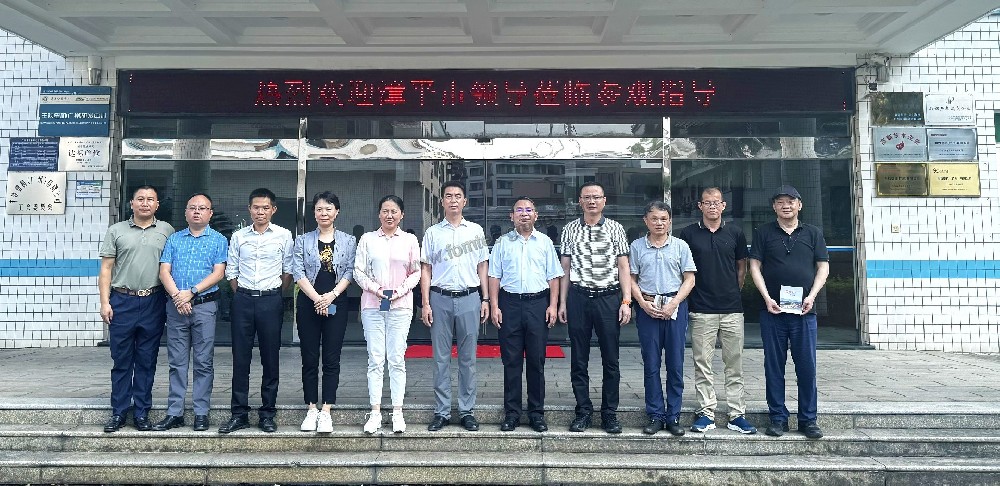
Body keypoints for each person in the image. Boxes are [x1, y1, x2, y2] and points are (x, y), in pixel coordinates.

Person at [749, 185, 829, 440]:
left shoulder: (813, 233)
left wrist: (812, 296)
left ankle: (808, 420)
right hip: (772, 311)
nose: (786, 205)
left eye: (791, 201)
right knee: (774, 367)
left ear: (799, 205)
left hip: (804, 312)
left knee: (807, 367)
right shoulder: (763, 232)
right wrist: (766, 297)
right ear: (774, 207)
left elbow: (823, 267)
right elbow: (754, 266)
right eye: (781, 201)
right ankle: (778, 418)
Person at [678, 187, 756, 434]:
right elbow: (684, 270)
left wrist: (733, 291)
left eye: (716, 202)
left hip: (732, 309)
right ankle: (706, 412)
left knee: (734, 364)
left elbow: (741, 267)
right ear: (700, 206)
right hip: (701, 309)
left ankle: (737, 414)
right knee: (703, 363)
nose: (712, 206)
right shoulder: (688, 234)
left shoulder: (735, 232)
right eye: (707, 202)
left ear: (723, 205)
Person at [98, 185, 174, 433]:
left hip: (153, 300)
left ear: (157, 204)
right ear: (131, 203)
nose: (145, 203)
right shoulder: (116, 230)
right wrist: (105, 302)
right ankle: (119, 412)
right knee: (121, 360)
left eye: (150, 199)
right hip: (122, 300)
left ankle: (142, 412)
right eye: (140, 199)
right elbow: (106, 269)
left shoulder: (166, 231)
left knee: (146, 360)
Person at [558, 181, 631, 434]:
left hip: (608, 298)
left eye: (596, 197)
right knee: (579, 359)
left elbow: (624, 267)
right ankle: (583, 412)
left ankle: (609, 414)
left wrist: (626, 301)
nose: (592, 201)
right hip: (579, 298)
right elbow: (565, 268)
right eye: (587, 197)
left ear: (604, 201)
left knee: (611, 359)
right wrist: (562, 302)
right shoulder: (569, 229)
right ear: (580, 201)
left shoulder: (615, 228)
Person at [219, 188, 293, 434]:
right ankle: (238, 413)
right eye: (256, 207)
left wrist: (274, 294)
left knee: (270, 358)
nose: (260, 212)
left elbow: (288, 270)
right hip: (243, 300)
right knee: (240, 358)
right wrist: (242, 293)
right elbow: (232, 270)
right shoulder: (239, 236)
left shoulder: (284, 235)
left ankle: (267, 413)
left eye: (265, 208)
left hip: (270, 301)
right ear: (249, 209)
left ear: (273, 210)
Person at [153, 193, 228, 432]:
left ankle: (201, 412)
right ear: (185, 212)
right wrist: (179, 296)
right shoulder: (174, 239)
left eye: (202, 208)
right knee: (177, 362)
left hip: (204, 306)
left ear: (210, 213)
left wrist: (192, 292)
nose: (197, 211)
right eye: (192, 208)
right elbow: (164, 271)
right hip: (176, 307)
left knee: (203, 362)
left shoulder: (218, 240)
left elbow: (219, 273)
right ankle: (174, 412)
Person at [488, 197, 563, 433]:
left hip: (538, 304)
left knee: (536, 361)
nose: (524, 213)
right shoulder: (502, 243)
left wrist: (553, 306)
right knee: (511, 361)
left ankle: (536, 414)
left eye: (529, 210)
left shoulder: (545, 242)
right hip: (509, 304)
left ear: (536, 215)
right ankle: (512, 413)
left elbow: (554, 276)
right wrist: (494, 306)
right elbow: (494, 276)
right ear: (511, 216)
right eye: (519, 210)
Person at [420, 182, 490, 432]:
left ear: (464, 201)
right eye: (448, 196)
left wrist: (485, 299)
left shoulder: (475, 231)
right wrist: (425, 303)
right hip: (439, 298)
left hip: (470, 298)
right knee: (440, 358)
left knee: (468, 359)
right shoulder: (432, 233)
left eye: (457, 196)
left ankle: (466, 411)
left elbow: (482, 266)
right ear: (442, 202)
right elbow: (426, 269)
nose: (453, 200)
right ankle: (442, 412)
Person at [354, 195, 421, 434]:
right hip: (373, 305)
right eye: (385, 211)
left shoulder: (410, 240)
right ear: (379, 214)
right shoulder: (368, 239)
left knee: (396, 359)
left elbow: (416, 272)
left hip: (401, 307)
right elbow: (358, 271)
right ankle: (374, 412)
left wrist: (399, 292)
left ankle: (397, 412)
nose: (389, 215)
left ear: (401, 215)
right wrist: (377, 289)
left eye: (394, 211)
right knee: (375, 359)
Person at [628, 201, 696, 436]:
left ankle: (673, 415)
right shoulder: (637, 246)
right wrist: (642, 303)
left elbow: (690, 279)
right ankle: (655, 414)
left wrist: (674, 303)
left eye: (664, 219)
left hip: (675, 307)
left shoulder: (680, 246)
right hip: (648, 308)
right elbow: (631, 279)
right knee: (651, 364)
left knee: (675, 364)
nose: (659, 223)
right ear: (646, 221)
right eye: (654, 219)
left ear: (670, 221)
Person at [291, 192, 357, 434]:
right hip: (309, 303)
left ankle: (327, 409)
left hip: (336, 303)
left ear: (336, 212)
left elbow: (350, 271)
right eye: (319, 209)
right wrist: (317, 298)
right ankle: (311, 408)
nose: (324, 213)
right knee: (309, 357)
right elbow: (297, 272)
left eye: (328, 209)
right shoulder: (302, 240)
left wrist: (331, 296)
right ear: (314, 213)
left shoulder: (349, 241)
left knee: (331, 357)